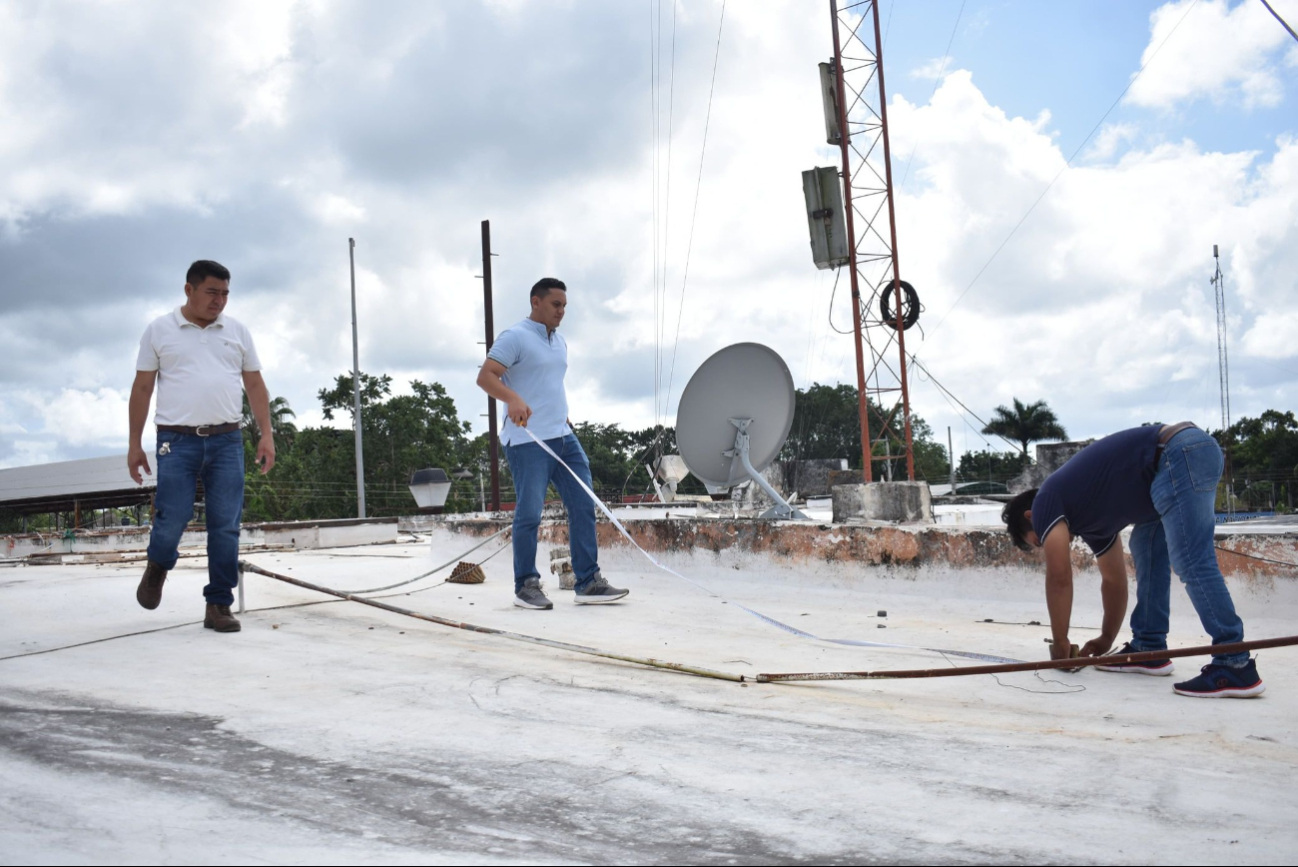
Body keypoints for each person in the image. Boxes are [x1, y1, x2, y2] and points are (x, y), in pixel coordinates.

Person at [1000, 422, 1264, 697]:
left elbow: (1059, 577)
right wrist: (1105, 638)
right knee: (1145, 546)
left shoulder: (1046, 500)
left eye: (1039, 539)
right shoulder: (1093, 525)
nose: (1047, 544)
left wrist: (1060, 641)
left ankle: (1234, 662)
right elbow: (1114, 581)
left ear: (1032, 517)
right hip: (1175, 464)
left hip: (1177, 454)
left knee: (1191, 559)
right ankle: (1148, 647)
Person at [127, 260, 275, 633]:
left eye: (225, 293)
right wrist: (134, 443)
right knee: (172, 517)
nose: (219, 301)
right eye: (212, 292)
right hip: (175, 441)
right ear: (189, 290)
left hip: (227, 440)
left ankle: (218, 604)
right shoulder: (159, 329)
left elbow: (255, 385)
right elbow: (142, 388)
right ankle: (159, 564)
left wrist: (267, 433)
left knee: (225, 525)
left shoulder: (237, 331)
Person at [476, 277, 628, 610]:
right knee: (530, 513)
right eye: (556, 305)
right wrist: (513, 399)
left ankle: (588, 582)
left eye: (564, 307)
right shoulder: (515, 337)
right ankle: (526, 586)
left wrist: (563, 416)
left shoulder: (559, 342)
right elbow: (485, 376)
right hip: (527, 442)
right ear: (536, 302)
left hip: (563, 438)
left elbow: (548, 383)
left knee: (583, 505)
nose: (561, 312)